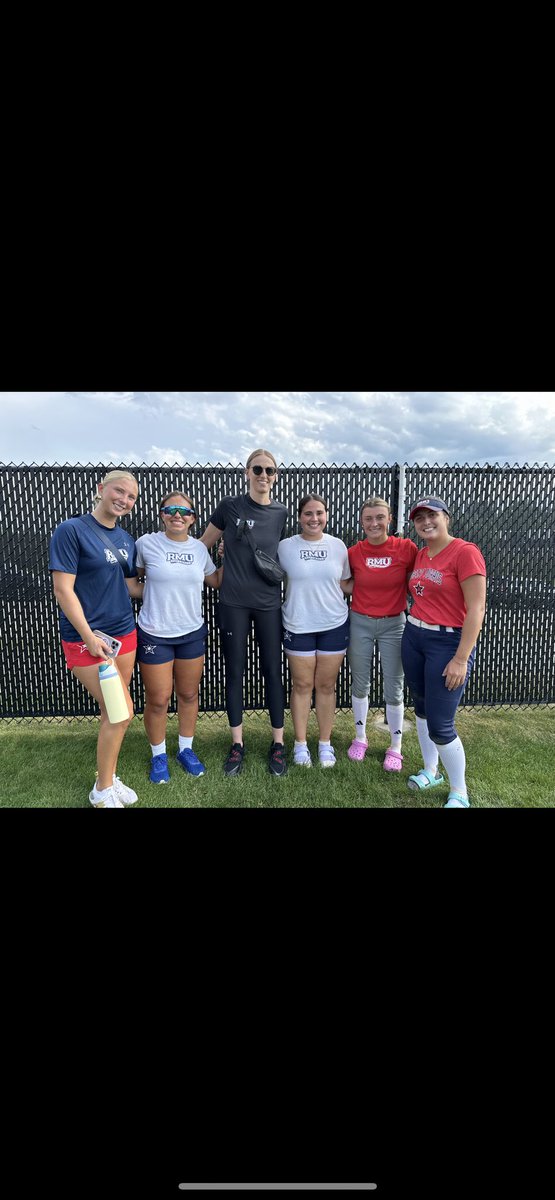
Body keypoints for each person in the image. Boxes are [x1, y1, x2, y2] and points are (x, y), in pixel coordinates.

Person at [49, 469, 143, 808]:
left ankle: (109, 777)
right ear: (102, 489)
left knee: (111, 711)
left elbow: (131, 586)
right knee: (122, 712)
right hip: (87, 639)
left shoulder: (125, 539)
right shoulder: (71, 530)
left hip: (124, 635)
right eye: (119, 491)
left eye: (131, 497)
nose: (124, 500)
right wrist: (88, 637)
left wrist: (166, 579)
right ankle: (101, 791)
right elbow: (63, 589)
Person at [200, 449, 288, 777]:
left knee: (272, 673)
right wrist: (215, 566)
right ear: (247, 472)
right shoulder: (230, 506)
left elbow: (275, 553)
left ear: (276, 476)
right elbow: (201, 545)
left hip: (269, 604)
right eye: (258, 469)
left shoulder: (281, 512)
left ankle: (277, 744)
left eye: (270, 470)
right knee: (234, 673)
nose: (263, 475)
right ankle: (237, 744)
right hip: (233, 602)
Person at [401, 495, 486, 808]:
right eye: (419, 518)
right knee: (421, 709)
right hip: (414, 636)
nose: (426, 522)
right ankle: (431, 770)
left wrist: (461, 658)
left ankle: (459, 790)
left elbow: (477, 607)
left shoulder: (465, 552)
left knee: (441, 724)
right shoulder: (422, 555)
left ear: (446, 517)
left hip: (447, 643)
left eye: (432, 515)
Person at [135, 491, 221, 784]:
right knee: (158, 699)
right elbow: (131, 582)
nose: (177, 516)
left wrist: (231, 555)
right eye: (170, 510)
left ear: (193, 519)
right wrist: (154, 594)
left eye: (184, 512)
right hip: (155, 633)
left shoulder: (199, 550)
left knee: (188, 694)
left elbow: (216, 581)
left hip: (191, 633)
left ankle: (186, 749)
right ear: (161, 514)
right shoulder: (146, 544)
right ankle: (158, 755)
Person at [344, 497, 417, 771]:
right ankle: (360, 738)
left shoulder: (406, 548)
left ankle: (395, 748)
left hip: (393, 624)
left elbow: (416, 578)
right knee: (360, 682)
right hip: (360, 621)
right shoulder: (354, 552)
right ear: (362, 522)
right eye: (368, 519)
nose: (374, 523)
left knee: (394, 685)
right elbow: (345, 583)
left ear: (389, 520)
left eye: (379, 517)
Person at [277, 494, 350, 767]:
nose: (314, 518)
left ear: (327, 515)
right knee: (302, 685)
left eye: (319, 513)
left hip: (333, 624)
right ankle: (300, 744)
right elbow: (262, 568)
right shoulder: (285, 547)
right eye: (308, 513)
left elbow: (346, 584)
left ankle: (325, 744)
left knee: (326, 686)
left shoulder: (338, 546)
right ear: (299, 517)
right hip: (298, 624)